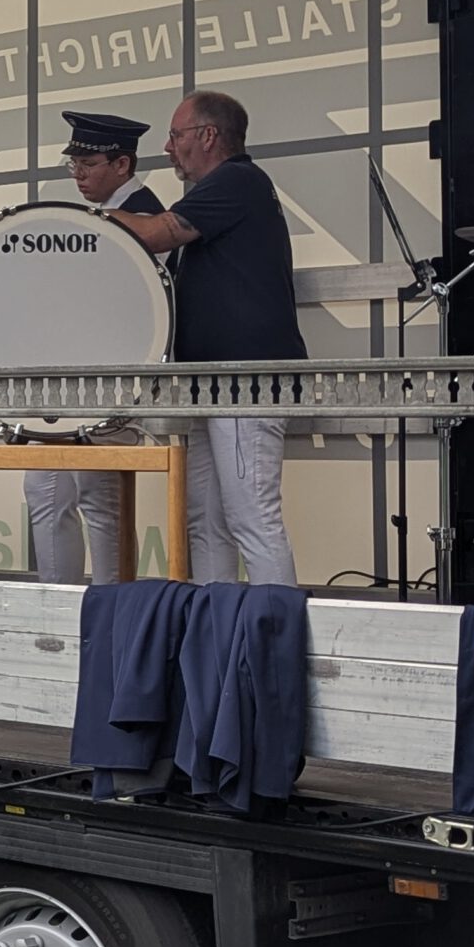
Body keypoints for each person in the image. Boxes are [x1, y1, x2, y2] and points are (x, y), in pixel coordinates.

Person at [106, 90, 305, 585]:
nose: (168, 147)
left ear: (208, 135)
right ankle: (218, 624)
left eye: (176, 135)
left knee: (251, 517)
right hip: (212, 384)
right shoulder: (224, 188)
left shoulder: (237, 180)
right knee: (208, 522)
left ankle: (274, 627)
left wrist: (87, 218)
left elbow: (157, 233)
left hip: (244, 382)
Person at [25, 111, 165, 586]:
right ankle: (57, 604)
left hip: (114, 377)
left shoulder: (145, 216)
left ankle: (111, 607)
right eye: (74, 164)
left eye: (88, 164)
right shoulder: (102, 216)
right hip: (76, 378)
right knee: (44, 489)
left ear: (122, 164)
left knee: (98, 496)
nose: (79, 174)